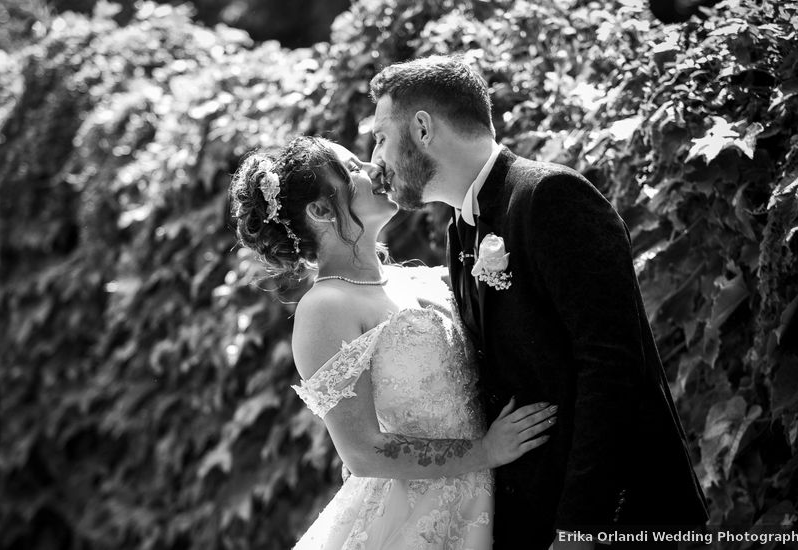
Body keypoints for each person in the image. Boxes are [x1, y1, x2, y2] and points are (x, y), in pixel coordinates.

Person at [367, 56, 709, 550]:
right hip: (530, 515)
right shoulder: (461, 227)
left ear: (422, 128)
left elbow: (612, 366)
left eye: (381, 136)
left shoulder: (551, 196)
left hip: (618, 516)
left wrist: (579, 526)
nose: (376, 157)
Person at [229, 136, 558, 549]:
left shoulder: (419, 278)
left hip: (495, 498)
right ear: (320, 210)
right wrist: (486, 452)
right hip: (413, 519)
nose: (374, 168)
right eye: (352, 169)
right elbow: (362, 452)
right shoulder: (325, 307)